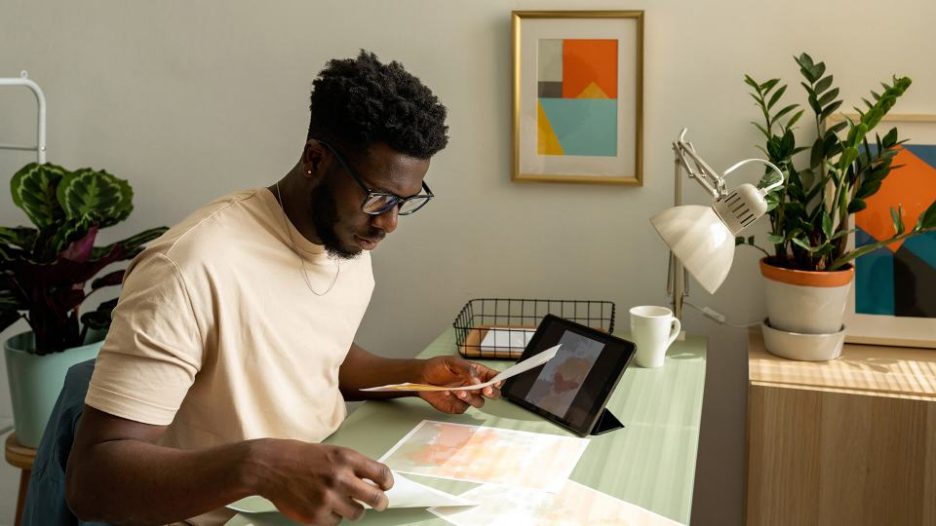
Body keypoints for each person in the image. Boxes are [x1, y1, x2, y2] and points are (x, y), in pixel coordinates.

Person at [65, 50, 500, 526]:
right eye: (378, 197)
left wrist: (416, 376)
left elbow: (316, 359)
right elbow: (93, 480)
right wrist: (258, 465)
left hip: (318, 501)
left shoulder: (345, 240)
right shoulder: (188, 268)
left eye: (404, 201)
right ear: (315, 159)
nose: (389, 222)